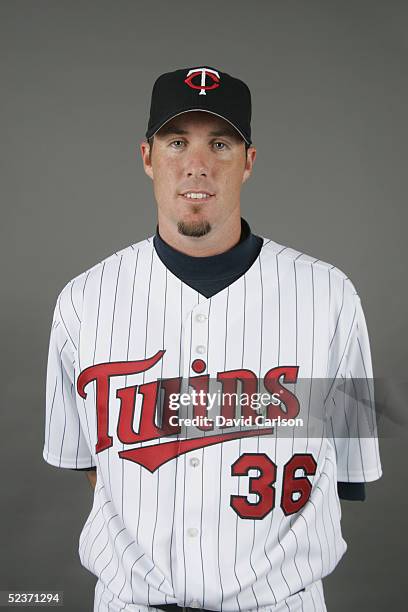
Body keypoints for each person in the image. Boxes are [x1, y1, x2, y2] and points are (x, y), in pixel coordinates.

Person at [43, 66, 382, 612]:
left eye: (219, 143)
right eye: (176, 141)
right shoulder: (83, 300)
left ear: (248, 161)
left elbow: (350, 463)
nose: (196, 165)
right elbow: (89, 460)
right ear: (147, 157)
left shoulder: (331, 295)